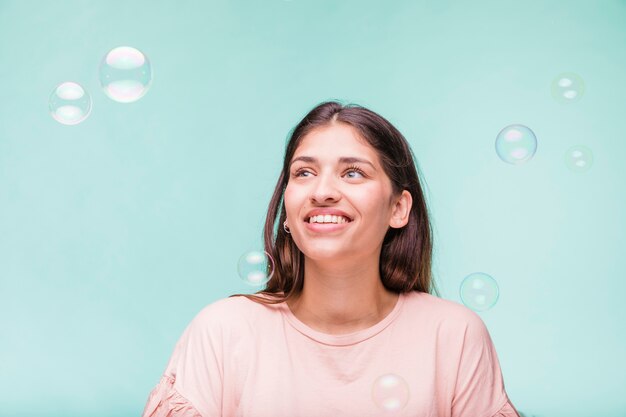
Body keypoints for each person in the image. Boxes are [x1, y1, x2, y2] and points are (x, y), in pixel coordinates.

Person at [141, 100, 521, 417]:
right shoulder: (223, 332)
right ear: (287, 209)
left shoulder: (454, 336)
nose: (322, 192)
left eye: (353, 173)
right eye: (304, 172)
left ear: (399, 208)